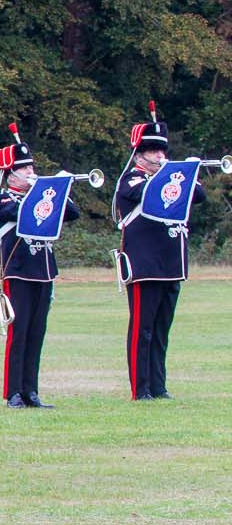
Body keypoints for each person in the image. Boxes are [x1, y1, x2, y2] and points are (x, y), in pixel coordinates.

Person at [0, 125, 78, 408]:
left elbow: (72, 213)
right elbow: (22, 213)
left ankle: (31, 390)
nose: (30, 172)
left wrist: (59, 190)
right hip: (18, 271)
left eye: (31, 167)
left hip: (43, 272)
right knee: (19, 333)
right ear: (10, 173)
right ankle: (13, 392)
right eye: (24, 168)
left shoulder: (41, 196)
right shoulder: (4, 199)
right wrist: (44, 191)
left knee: (36, 333)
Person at [114, 102, 195, 401]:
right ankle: (141, 388)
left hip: (171, 263)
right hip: (144, 264)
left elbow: (196, 194)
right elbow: (147, 195)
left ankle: (158, 387)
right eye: (154, 152)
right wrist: (172, 175)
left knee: (161, 332)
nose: (161, 156)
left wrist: (186, 171)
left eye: (163, 151)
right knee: (142, 330)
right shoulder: (131, 179)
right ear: (140, 154)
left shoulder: (169, 175)